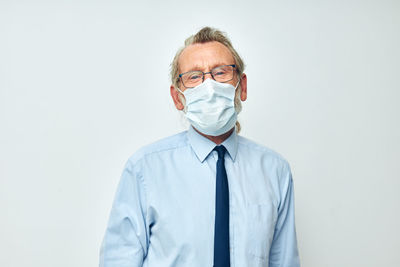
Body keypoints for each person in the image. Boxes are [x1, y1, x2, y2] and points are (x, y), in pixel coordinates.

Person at [100, 26, 300, 267]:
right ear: (177, 97)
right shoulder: (144, 169)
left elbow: (284, 261)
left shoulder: (274, 171)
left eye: (221, 72)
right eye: (194, 76)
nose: (209, 86)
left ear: (242, 86)